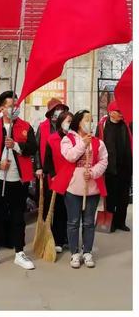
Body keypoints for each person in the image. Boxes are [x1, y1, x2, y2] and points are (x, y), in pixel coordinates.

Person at [0, 90, 37, 271]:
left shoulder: (25, 126)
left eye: (16, 106)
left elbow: (32, 148)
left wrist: (17, 146)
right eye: (10, 106)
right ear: (2, 108)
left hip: (18, 180)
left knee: (18, 217)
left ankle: (19, 252)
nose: (14, 109)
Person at [59, 110, 108, 268]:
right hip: (73, 187)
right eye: (86, 119)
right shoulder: (68, 140)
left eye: (91, 120)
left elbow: (103, 160)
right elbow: (71, 156)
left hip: (91, 187)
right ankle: (74, 252)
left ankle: (87, 251)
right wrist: (83, 144)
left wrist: (93, 172)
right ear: (78, 122)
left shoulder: (98, 142)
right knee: (73, 222)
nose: (90, 123)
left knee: (88, 222)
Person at [96, 100, 132, 232]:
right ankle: (110, 222)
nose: (121, 114)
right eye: (119, 111)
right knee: (111, 197)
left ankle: (120, 222)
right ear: (111, 112)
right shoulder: (102, 126)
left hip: (126, 167)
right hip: (110, 168)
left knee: (123, 197)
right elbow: (97, 144)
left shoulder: (128, 125)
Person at [43, 111, 74, 253]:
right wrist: (54, 175)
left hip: (73, 179)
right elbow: (47, 161)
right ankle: (58, 239)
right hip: (58, 179)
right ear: (60, 122)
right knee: (60, 210)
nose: (70, 123)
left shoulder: (76, 138)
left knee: (72, 211)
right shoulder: (52, 139)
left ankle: (70, 239)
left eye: (71, 121)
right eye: (67, 121)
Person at [34, 98, 70, 215]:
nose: (59, 111)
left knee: (62, 203)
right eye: (57, 109)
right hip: (47, 169)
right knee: (47, 201)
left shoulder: (67, 127)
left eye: (61, 109)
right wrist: (38, 166)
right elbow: (37, 148)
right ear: (51, 111)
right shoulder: (43, 126)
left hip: (64, 168)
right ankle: (46, 226)